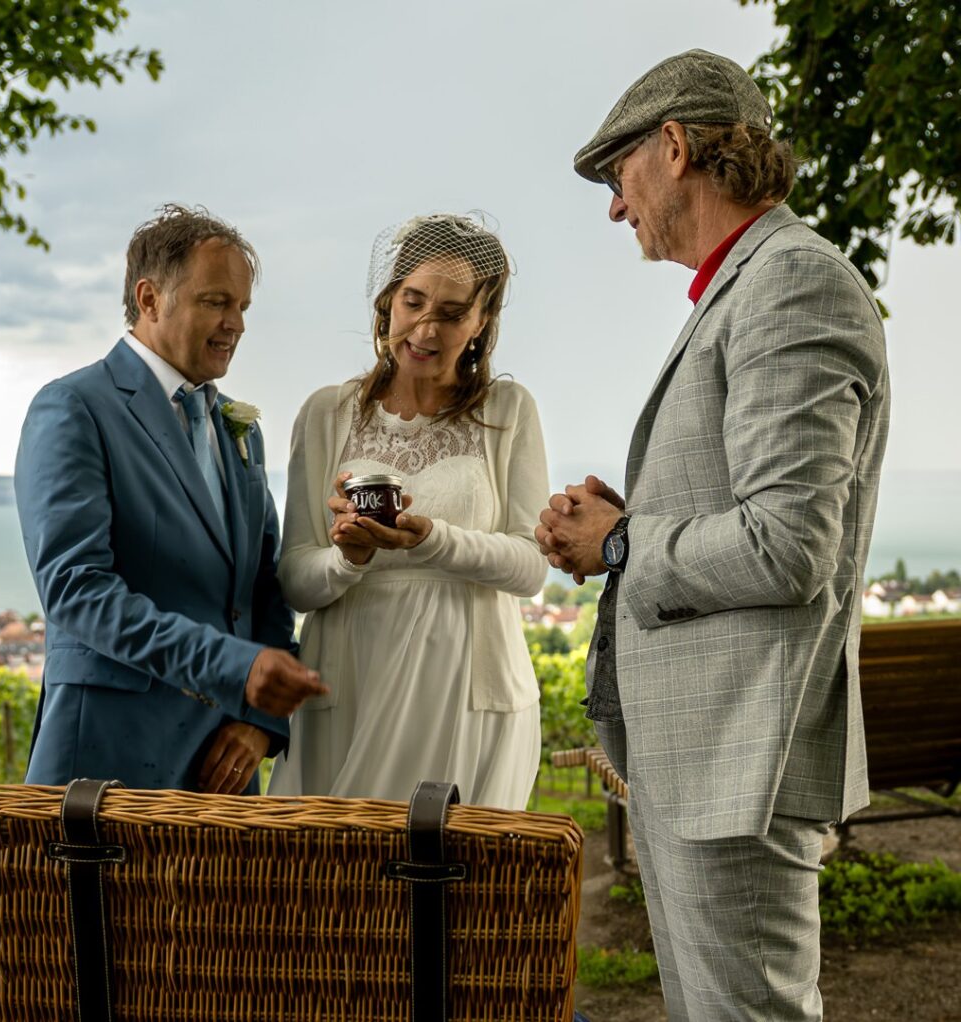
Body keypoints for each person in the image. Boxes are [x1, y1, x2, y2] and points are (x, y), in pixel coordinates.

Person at [536, 50, 889, 1022]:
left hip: (740, 759)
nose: (616, 208)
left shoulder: (792, 282)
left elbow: (788, 543)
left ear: (674, 147)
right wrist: (628, 517)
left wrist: (621, 543)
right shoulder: (754, 284)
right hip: (706, 759)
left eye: (617, 176)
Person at [16, 203, 326, 795]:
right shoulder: (74, 408)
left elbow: (264, 587)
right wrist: (235, 670)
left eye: (242, 307)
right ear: (150, 298)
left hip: (222, 775)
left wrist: (259, 722)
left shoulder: (239, 428)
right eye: (216, 302)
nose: (236, 324)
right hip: (107, 767)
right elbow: (77, 592)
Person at [268, 213, 548, 809]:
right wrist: (347, 559)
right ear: (388, 301)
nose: (425, 329)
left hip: (468, 691)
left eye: (451, 313)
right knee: (336, 864)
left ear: (482, 321)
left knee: (455, 863)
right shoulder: (326, 413)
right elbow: (294, 580)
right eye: (412, 302)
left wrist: (433, 540)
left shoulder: (509, 410)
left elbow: (530, 568)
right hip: (349, 683)